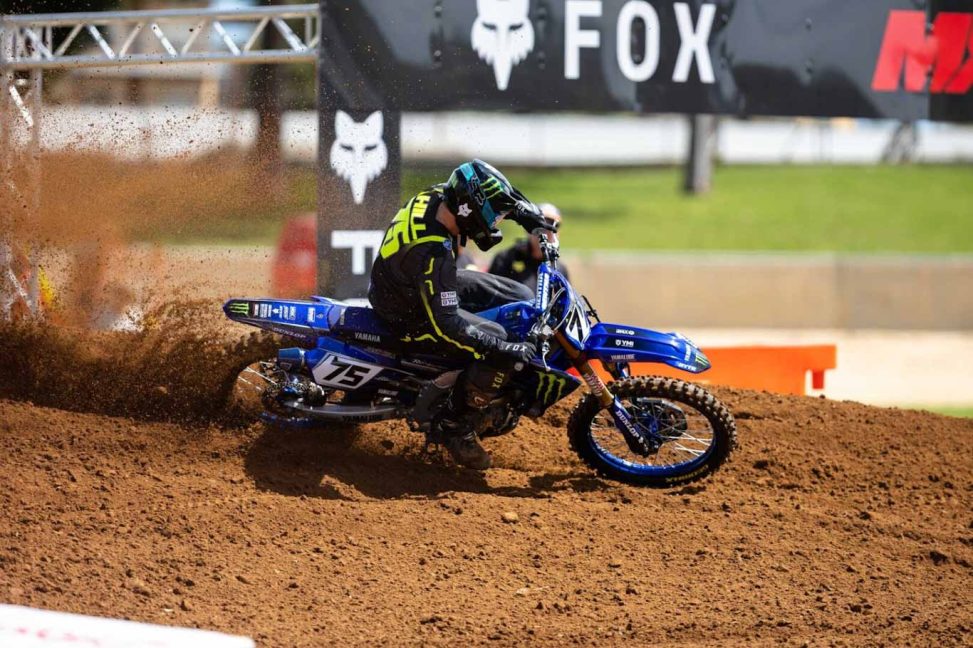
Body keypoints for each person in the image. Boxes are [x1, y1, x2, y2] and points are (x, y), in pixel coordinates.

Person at [368, 160, 553, 470]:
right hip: (408, 315)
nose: (495, 223)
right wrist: (503, 350)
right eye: (492, 217)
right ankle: (454, 426)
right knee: (500, 342)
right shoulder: (433, 251)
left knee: (521, 296)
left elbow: (498, 198)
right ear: (470, 211)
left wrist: (525, 214)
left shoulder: (441, 196)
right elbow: (447, 325)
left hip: (415, 284)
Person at [488, 203, 569, 289]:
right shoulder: (506, 259)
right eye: (540, 224)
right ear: (528, 229)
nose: (545, 231)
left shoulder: (559, 270)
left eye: (553, 226)